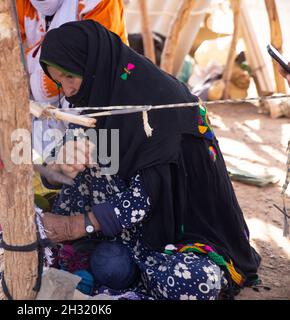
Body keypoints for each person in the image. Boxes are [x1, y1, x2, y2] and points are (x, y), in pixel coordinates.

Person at [39, 20, 261, 300]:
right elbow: (57, 170)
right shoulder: (96, 97)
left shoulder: (159, 103)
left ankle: (132, 277)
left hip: (179, 233)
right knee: (85, 173)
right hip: (123, 229)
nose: (68, 91)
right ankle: (122, 271)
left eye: (70, 77)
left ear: (92, 63)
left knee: (190, 282)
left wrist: (73, 227)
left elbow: (146, 197)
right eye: (58, 82)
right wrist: (60, 165)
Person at [16, 0, 128, 159]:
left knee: (100, 164)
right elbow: (7, 56)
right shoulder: (16, 5)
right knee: (58, 168)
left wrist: (35, 80)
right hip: (48, 113)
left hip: (102, 102)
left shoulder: (98, 3)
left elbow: (99, 64)